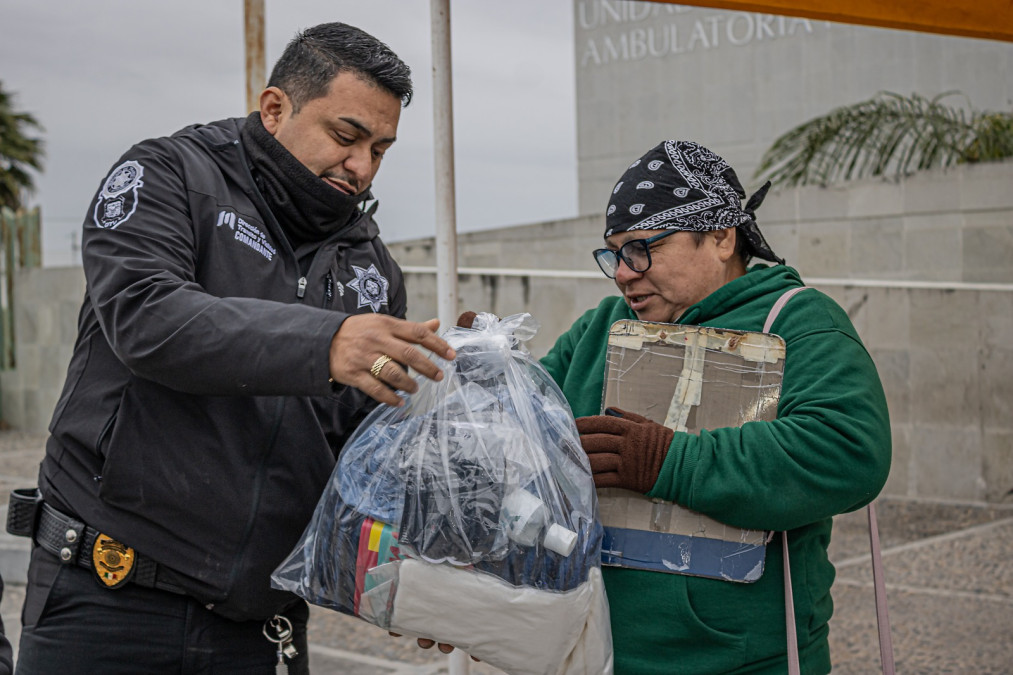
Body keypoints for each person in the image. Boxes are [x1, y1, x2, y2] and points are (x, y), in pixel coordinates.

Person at [11, 22, 454, 674]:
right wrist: (324, 340)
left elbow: (366, 457)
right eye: (345, 136)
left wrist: (429, 565)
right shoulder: (168, 176)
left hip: (260, 627)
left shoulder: (372, 270)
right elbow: (147, 317)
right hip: (107, 604)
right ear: (275, 108)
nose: (361, 166)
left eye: (381, 150)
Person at [537, 140, 892, 674]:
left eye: (641, 248)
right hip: (599, 654)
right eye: (614, 254)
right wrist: (482, 376)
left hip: (751, 662)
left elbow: (848, 451)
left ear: (722, 238)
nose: (623, 273)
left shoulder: (798, 321)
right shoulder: (598, 331)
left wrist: (669, 462)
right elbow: (518, 433)